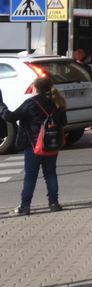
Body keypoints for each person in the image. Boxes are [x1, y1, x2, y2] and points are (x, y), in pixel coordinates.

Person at [9, 76, 67, 215]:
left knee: (31, 176)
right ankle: (54, 203)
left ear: (36, 88)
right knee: (51, 174)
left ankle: (25, 206)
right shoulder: (56, 102)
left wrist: (2, 107)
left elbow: (11, 117)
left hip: (33, 145)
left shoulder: (30, 103)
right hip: (52, 144)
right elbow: (63, 122)